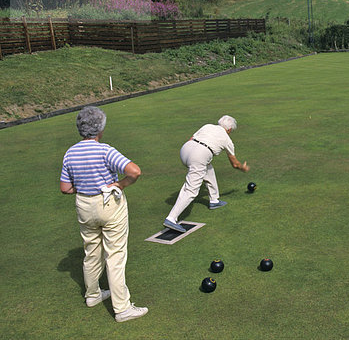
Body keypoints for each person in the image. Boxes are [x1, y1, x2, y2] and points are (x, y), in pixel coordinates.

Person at [60, 106, 148, 323]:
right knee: (115, 256)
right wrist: (120, 184)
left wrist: (82, 187)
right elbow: (134, 171)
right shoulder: (105, 150)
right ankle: (122, 308)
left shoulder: (70, 153)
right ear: (100, 129)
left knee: (91, 251)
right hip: (109, 204)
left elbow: (65, 188)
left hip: (84, 206)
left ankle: (92, 295)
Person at [163, 115, 249, 233]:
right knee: (191, 189)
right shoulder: (227, 139)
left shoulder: (207, 126)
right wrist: (242, 168)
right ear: (229, 130)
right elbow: (234, 164)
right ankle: (171, 218)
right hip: (199, 155)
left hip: (185, 149)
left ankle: (214, 200)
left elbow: (191, 138)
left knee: (208, 168)